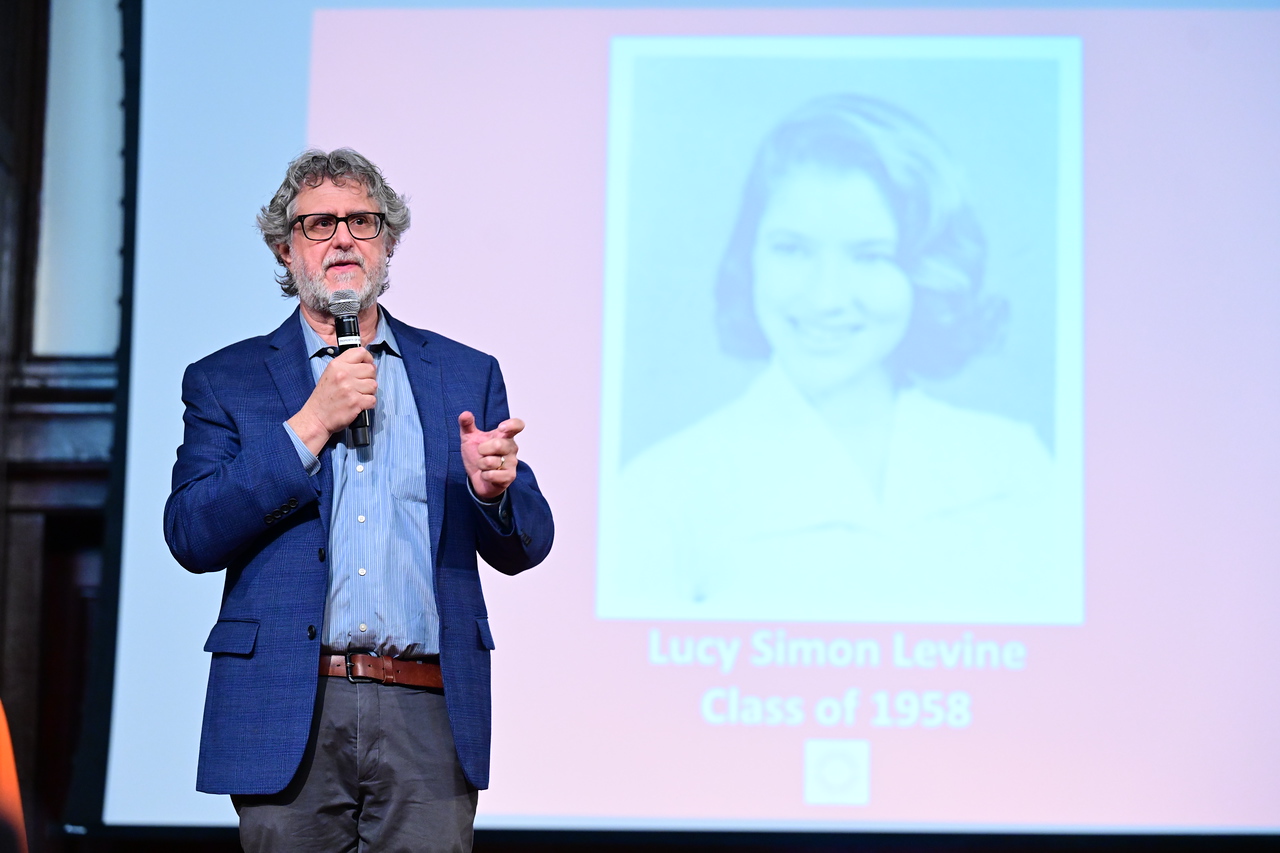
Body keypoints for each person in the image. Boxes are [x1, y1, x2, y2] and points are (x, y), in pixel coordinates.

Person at [164, 148, 554, 852]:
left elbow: (528, 541)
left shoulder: (464, 373)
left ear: (389, 240)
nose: (342, 237)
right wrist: (309, 425)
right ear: (285, 249)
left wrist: (494, 492)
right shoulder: (227, 379)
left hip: (427, 708)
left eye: (362, 221)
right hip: (288, 705)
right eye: (318, 224)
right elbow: (192, 532)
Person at [597, 94, 1078, 623]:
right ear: (748, 256)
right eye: (792, 249)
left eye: (870, 256)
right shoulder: (663, 492)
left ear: (930, 270)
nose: (826, 296)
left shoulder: (1013, 468)